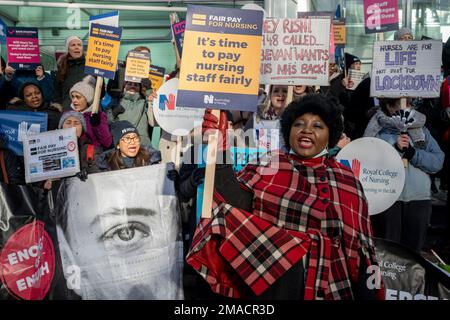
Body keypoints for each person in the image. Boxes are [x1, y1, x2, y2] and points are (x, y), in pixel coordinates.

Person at [186, 94, 384, 300]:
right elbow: (235, 205)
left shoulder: (348, 181)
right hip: (276, 284)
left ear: (330, 135)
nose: (306, 129)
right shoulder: (268, 164)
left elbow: (362, 250)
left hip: (333, 286)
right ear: (288, 130)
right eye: (299, 124)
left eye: (317, 126)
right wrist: (219, 153)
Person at [53, 160, 183, 300]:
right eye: (126, 233)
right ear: (68, 259)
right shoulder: (96, 163)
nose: (165, 256)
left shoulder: (152, 160)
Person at [364, 98, 445, 252]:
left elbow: (437, 161)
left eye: (408, 103)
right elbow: (369, 164)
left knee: (413, 254)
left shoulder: (421, 130)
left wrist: (413, 153)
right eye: (401, 103)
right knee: (389, 253)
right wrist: (396, 150)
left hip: (418, 200)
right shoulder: (376, 131)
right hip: (388, 199)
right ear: (388, 106)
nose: (407, 108)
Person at [54, 36, 105, 111]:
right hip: (69, 112)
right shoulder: (62, 67)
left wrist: (100, 77)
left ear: (82, 48)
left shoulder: (92, 66)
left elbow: (101, 93)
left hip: (90, 111)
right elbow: (57, 91)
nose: (76, 47)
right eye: (73, 45)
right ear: (68, 49)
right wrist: (60, 106)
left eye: (79, 45)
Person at [69, 76, 112, 149]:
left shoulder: (98, 115)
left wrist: (97, 126)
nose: (74, 101)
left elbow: (107, 143)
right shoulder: (68, 115)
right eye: (72, 97)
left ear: (87, 99)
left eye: (78, 97)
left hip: (92, 156)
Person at [107, 81, 152, 146]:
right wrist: (113, 113)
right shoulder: (116, 101)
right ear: (124, 86)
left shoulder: (144, 103)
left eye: (136, 85)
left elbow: (152, 105)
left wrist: (149, 90)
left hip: (141, 145)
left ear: (140, 88)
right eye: (129, 84)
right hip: (121, 143)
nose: (132, 86)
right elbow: (106, 122)